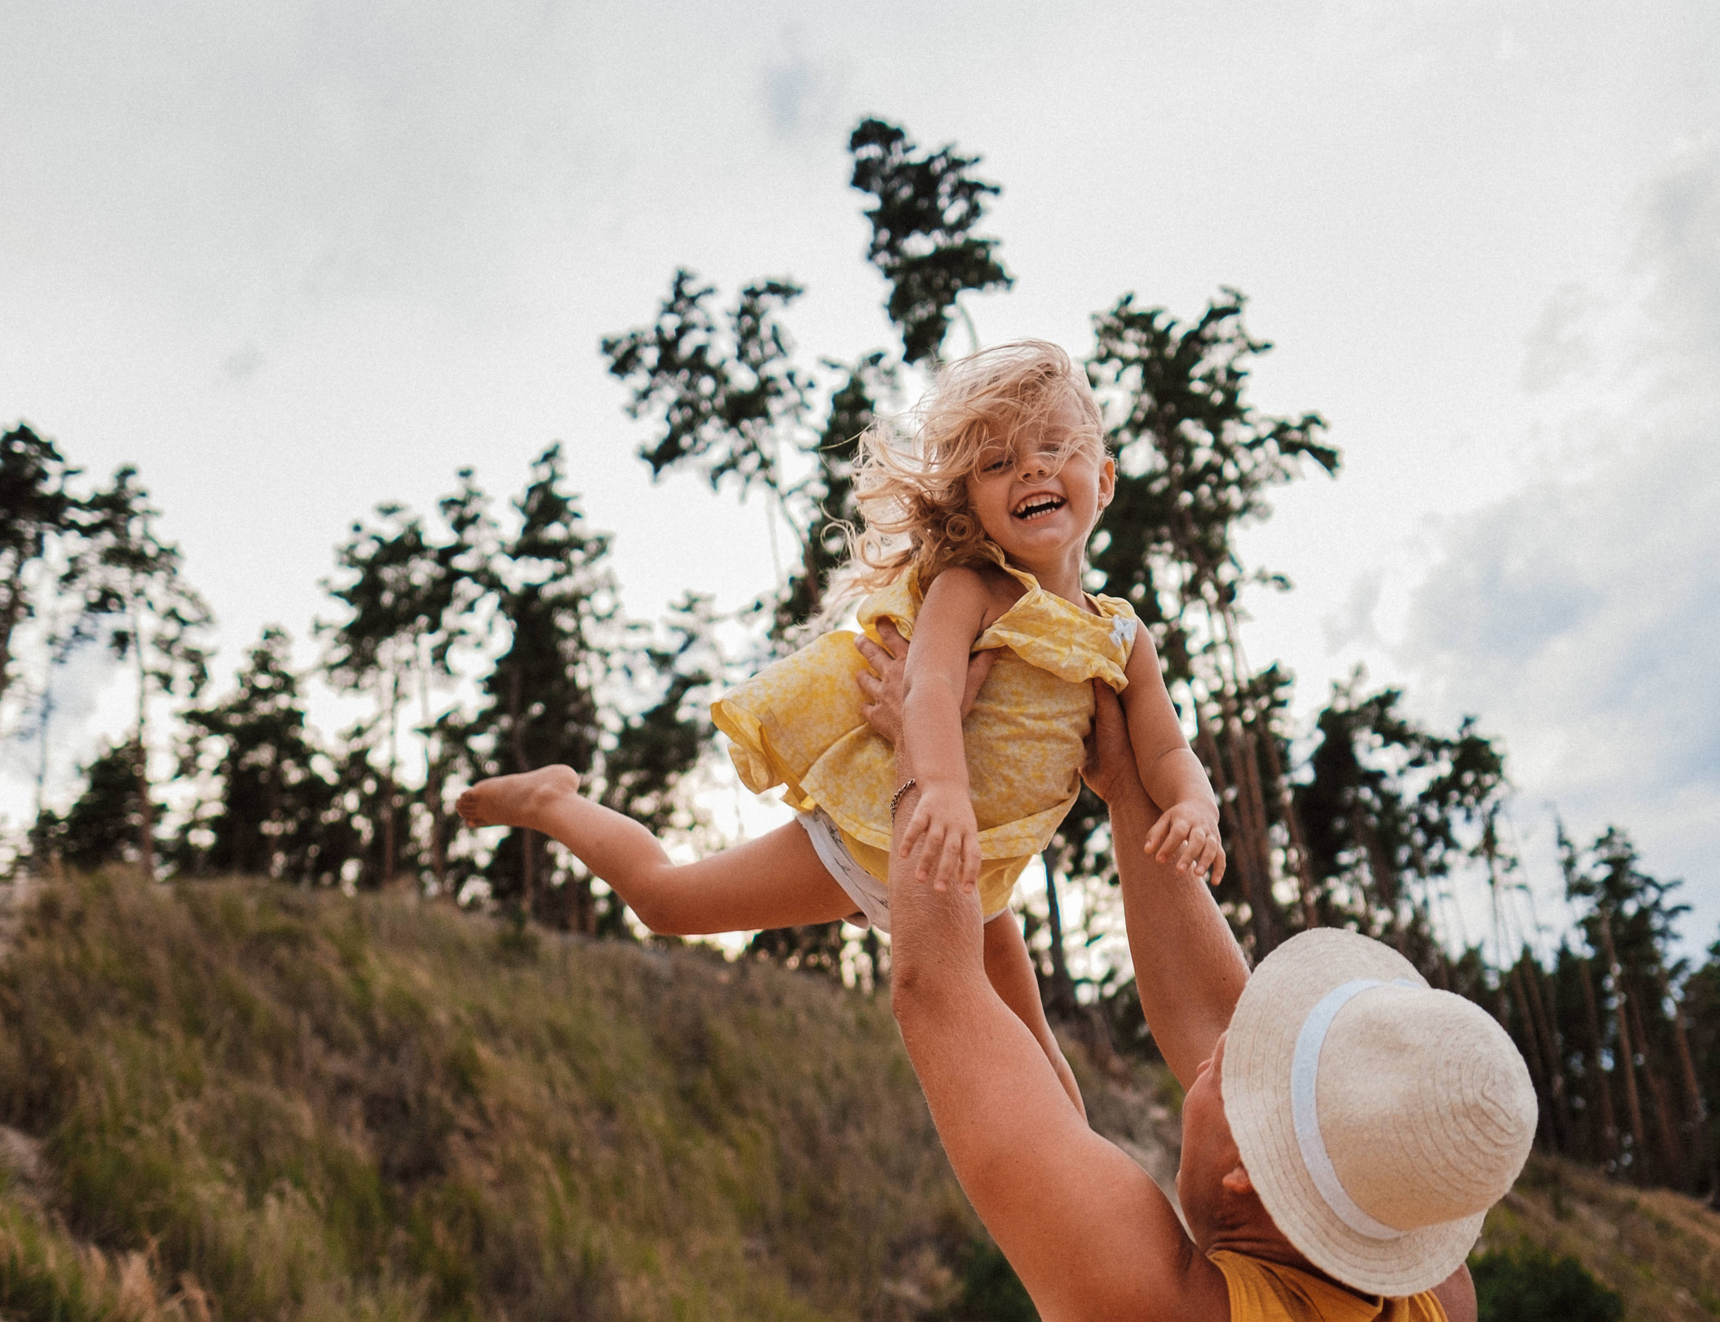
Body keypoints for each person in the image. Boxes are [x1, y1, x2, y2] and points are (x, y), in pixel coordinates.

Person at [857, 639, 1536, 1322]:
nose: (1221, 1047)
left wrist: (926, 758)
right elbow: (1209, 1024)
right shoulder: (1437, 1312)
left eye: (1236, 1072)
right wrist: (1131, 783)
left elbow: (931, 988)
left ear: (1250, 1184)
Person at [458, 341, 1222, 1112]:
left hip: (972, 879)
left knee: (1051, 1078)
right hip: (873, 837)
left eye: (1054, 448)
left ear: (1106, 478)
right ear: (972, 501)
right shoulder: (972, 589)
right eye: (997, 463)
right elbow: (924, 688)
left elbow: (1164, 748)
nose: (1029, 470)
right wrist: (943, 792)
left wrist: (1196, 805)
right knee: (667, 902)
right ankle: (549, 802)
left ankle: (1080, 1218)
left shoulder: (1121, 636)